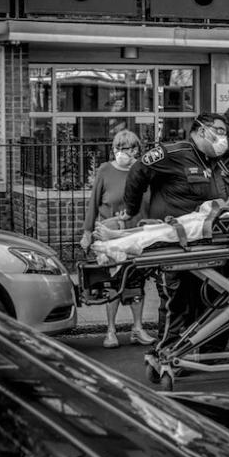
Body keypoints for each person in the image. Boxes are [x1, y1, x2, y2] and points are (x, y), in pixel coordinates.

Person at [121, 113, 229, 353]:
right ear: (202, 130)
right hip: (176, 246)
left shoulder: (216, 163)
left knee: (208, 299)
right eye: (220, 131)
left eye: (226, 133)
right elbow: (138, 171)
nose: (224, 137)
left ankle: (208, 353)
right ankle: (168, 352)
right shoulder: (174, 153)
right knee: (177, 301)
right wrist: (131, 210)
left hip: (207, 245)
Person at [80, 129, 155, 349]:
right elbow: (93, 203)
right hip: (109, 235)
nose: (123, 152)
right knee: (112, 283)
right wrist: (86, 233)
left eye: (128, 148)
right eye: (119, 148)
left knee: (136, 282)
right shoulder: (105, 170)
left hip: (136, 235)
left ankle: (138, 328)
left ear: (136, 150)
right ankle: (111, 330)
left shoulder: (143, 171)